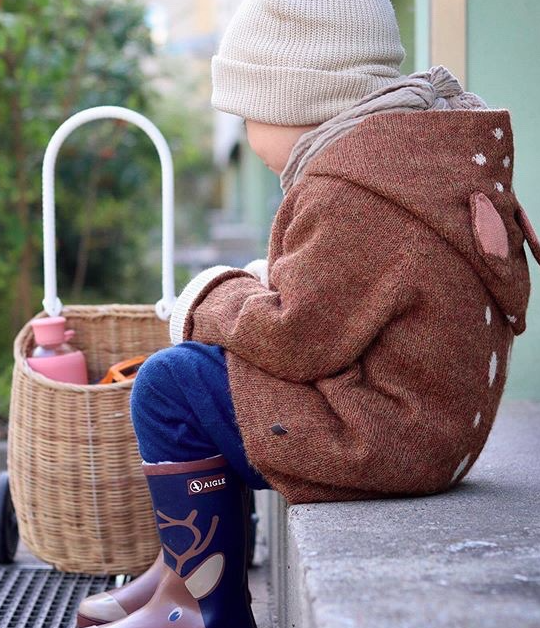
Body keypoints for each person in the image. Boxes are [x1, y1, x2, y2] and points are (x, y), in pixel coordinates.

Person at [77, 1, 540, 626]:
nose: (246, 135)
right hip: (429, 429)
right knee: (211, 377)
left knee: (173, 383)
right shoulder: (410, 163)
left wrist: (210, 296)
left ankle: (204, 609)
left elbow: (293, 337)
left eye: (249, 113)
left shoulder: (350, 189)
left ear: (299, 101)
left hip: (387, 438)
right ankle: (179, 572)